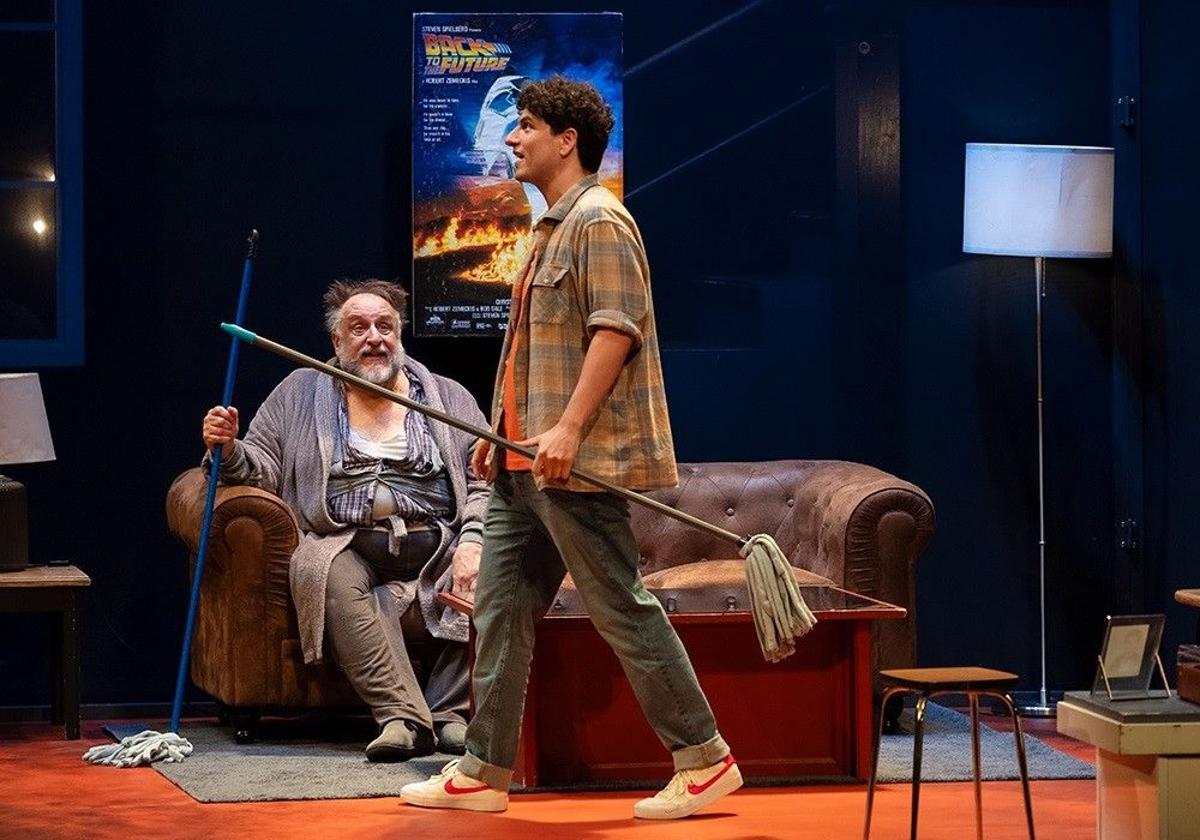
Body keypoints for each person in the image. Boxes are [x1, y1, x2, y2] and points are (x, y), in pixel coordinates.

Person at [400, 77, 741, 820]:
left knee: (620, 605)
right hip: (523, 463)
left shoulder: (600, 220)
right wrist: (501, 434)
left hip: (573, 466)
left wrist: (569, 430)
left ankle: (705, 758)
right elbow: (531, 350)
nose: (511, 137)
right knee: (498, 612)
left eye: (525, 125)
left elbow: (616, 329)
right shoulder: (549, 228)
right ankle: (482, 771)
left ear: (566, 140)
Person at [201, 278, 488, 761]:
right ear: (337, 341)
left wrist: (473, 541)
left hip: (437, 542)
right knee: (325, 571)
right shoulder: (300, 391)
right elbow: (262, 466)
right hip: (346, 541)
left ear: (399, 335)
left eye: (385, 326)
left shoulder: (448, 396)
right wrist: (227, 448)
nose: (374, 337)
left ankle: (450, 715)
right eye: (358, 328)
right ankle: (402, 719)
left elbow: (486, 478)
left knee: (497, 567)